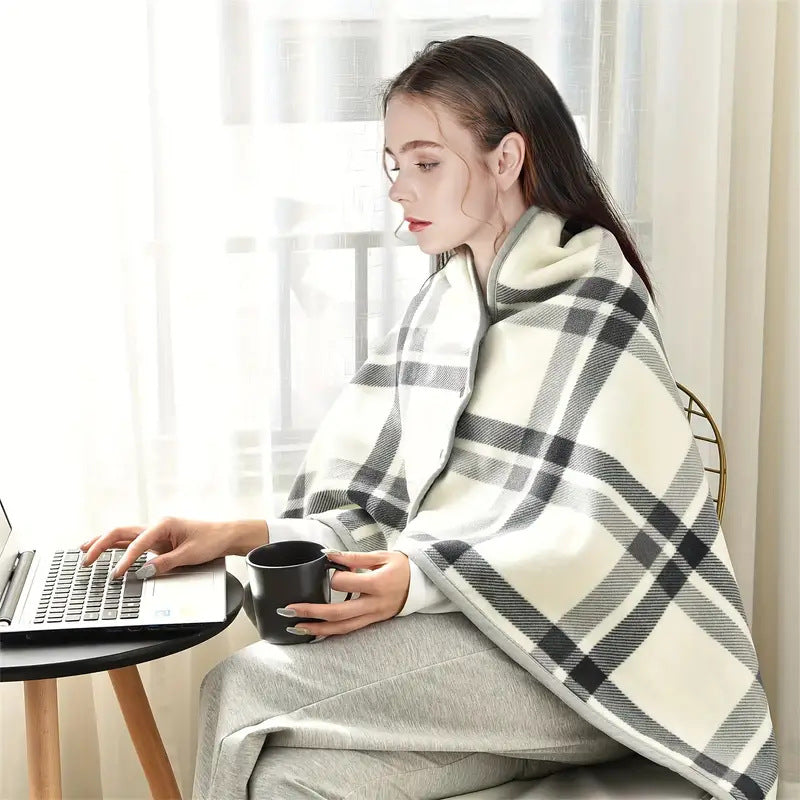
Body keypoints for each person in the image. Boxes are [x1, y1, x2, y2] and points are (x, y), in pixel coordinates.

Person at [79, 36, 777, 800]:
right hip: (478, 651)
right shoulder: (447, 304)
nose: (400, 190)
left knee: (244, 687)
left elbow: (600, 546)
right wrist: (241, 534)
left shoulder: (594, 303)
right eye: (394, 164)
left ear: (507, 159)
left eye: (426, 162)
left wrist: (419, 579)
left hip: (599, 665)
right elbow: (390, 502)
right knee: (286, 777)